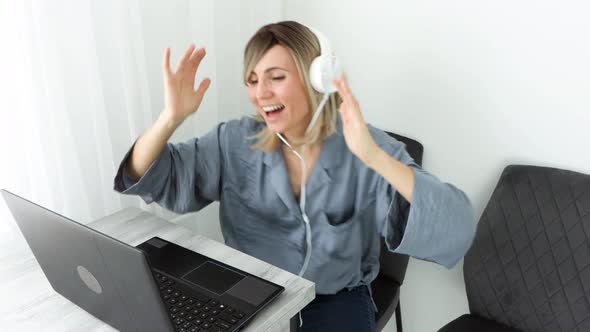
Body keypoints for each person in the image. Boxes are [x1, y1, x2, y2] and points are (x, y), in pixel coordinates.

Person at [114, 20, 476, 332]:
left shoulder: (365, 145)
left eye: (276, 77)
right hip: (251, 293)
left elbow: (455, 228)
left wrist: (374, 157)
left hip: (337, 298)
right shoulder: (234, 140)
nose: (260, 93)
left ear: (316, 79)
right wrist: (170, 118)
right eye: (253, 80)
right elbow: (157, 177)